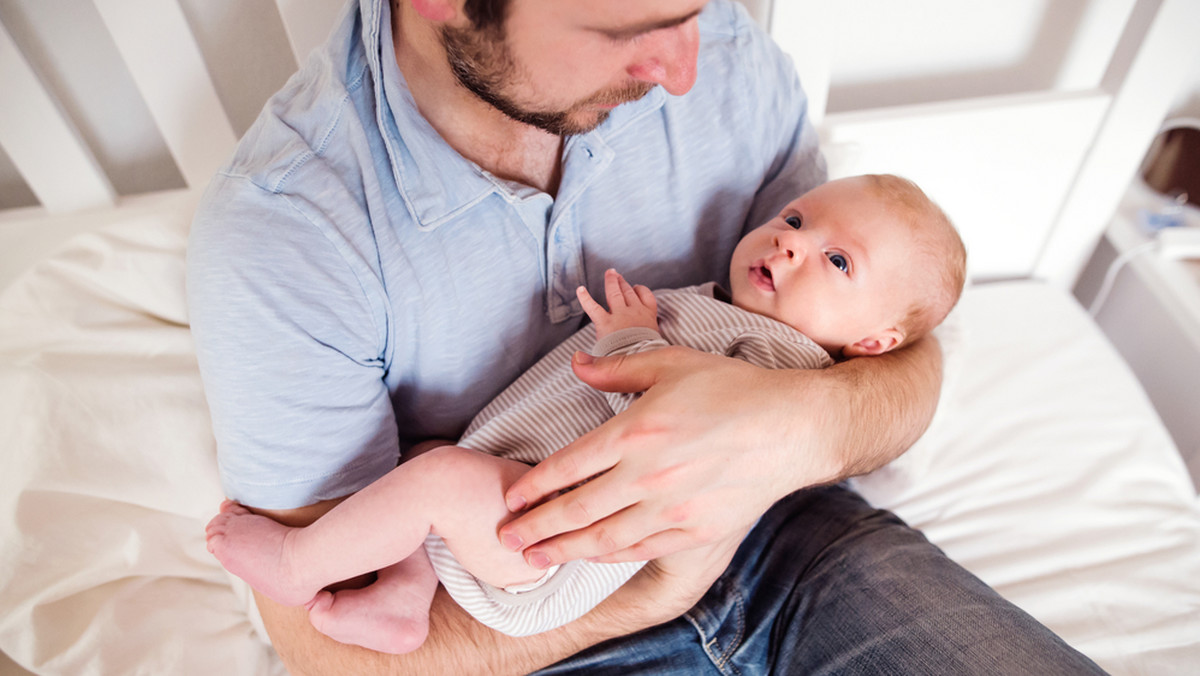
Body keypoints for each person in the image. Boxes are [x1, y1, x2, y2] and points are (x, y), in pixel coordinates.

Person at [187, 0, 1106, 672]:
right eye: (631, 32)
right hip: (529, 629)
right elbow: (321, 636)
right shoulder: (287, 234)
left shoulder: (733, 59)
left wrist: (793, 434)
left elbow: (898, 351)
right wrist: (659, 585)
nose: (684, 68)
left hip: (789, 529)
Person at [203, 173, 969, 654]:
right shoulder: (727, 310)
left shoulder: (778, 364)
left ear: (873, 343)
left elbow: (679, 436)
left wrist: (634, 342)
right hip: (529, 498)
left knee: (437, 478)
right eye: (798, 220)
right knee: (424, 462)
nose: (793, 245)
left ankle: (296, 566)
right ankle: (406, 597)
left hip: (553, 547)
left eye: (839, 263)